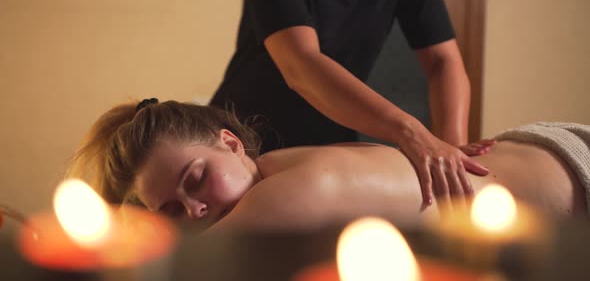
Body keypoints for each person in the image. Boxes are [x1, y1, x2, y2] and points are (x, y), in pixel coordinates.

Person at [209, 0, 491, 206]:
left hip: (330, 137)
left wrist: (452, 151)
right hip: (244, 137)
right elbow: (299, 64)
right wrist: (410, 131)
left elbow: (443, 60)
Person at [66, 99, 589, 233]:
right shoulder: (271, 174)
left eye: (196, 179)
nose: (197, 210)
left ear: (231, 143)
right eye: (173, 211)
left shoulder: (289, 193)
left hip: (574, 176)